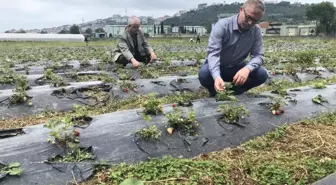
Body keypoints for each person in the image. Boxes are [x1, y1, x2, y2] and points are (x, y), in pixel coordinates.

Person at [198, 0, 268, 96]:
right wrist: (216, 77)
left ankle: (235, 91)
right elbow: (213, 54)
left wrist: (247, 69)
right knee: (204, 74)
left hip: (237, 68)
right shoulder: (222, 26)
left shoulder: (256, 31)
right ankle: (215, 92)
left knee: (262, 74)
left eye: (255, 20)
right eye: (248, 17)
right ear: (241, 9)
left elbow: (258, 55)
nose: (250, 22)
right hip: (220, 66)